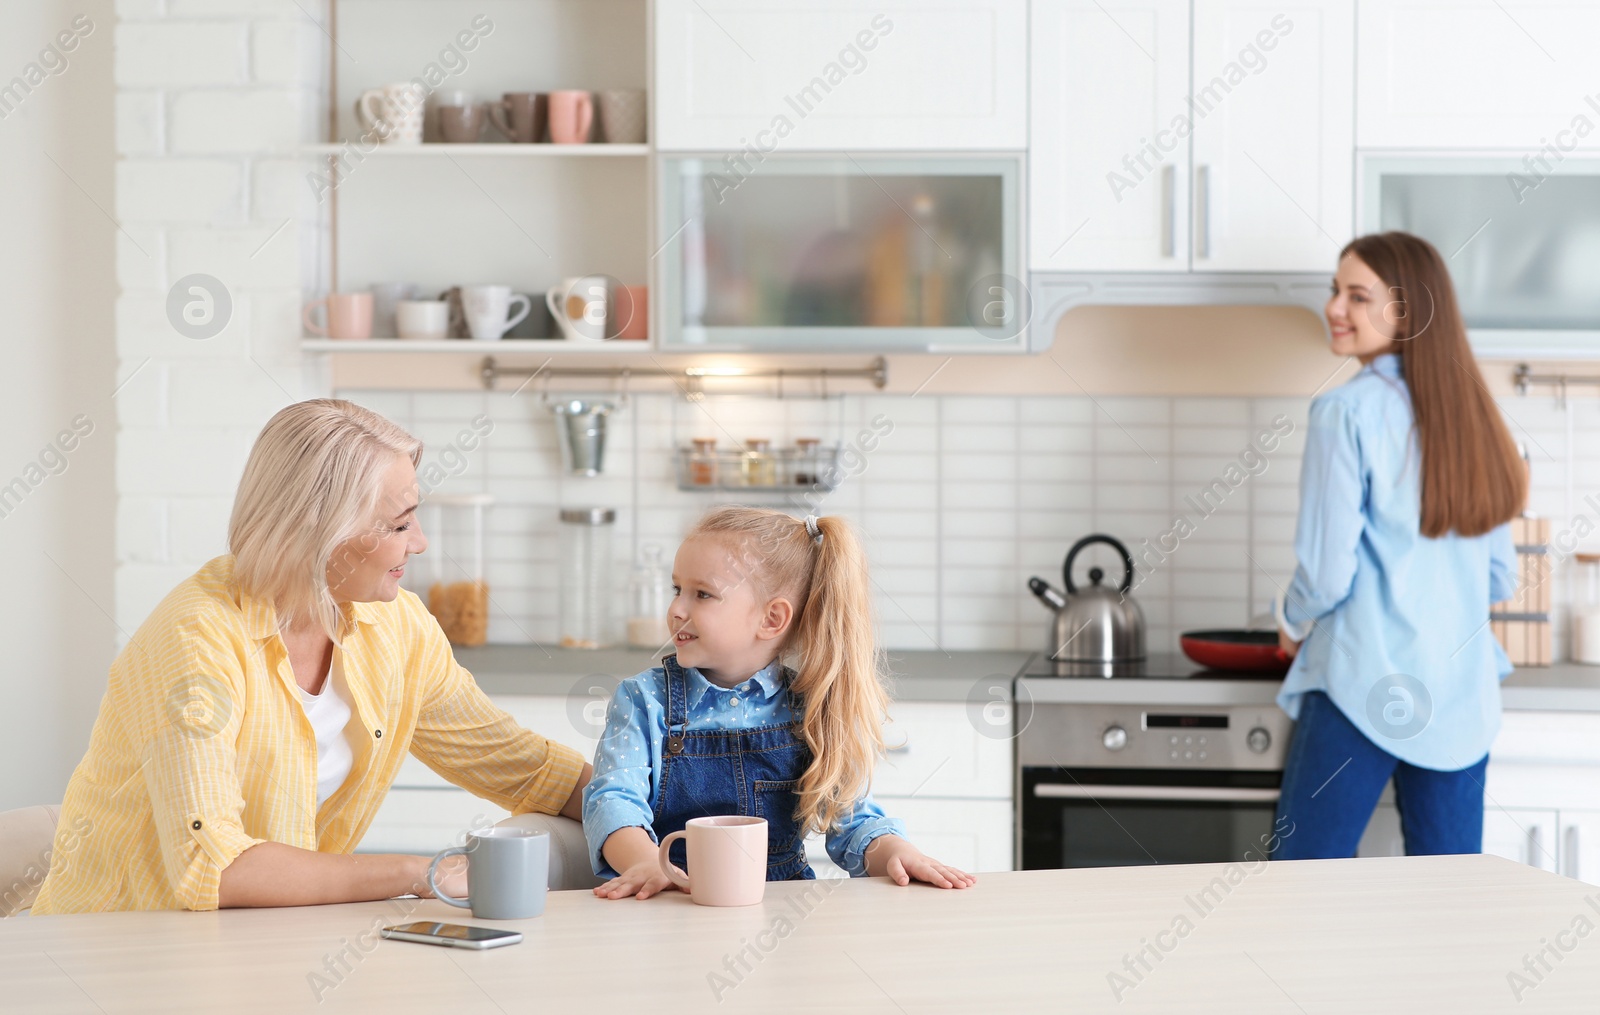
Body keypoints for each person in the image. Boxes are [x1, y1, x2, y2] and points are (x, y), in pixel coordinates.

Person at [33, 400, 590, 913]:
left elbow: (523, 768)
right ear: (319, 532)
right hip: (118, 943)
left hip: (258, 940)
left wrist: (649, 816)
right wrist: (424, 872)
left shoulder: (395, 625)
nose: (419, 542)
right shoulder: (197, 640)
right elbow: (215, 868)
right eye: (399, 524)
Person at [1272, 232, 1526, 860]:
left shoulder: (1345, 413)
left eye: (1358, 296)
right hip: (1460, 697)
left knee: (1298, 891)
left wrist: (1291, 620)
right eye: (1336, 291)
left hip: (1362, 686)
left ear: (1407, 311)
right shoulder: (1474, 417)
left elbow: (1328, 575)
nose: (1335, 308)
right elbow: (1499, 577)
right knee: (1447, 905)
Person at [584, 507, 975, 898]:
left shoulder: (810, 705)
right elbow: (613, 799)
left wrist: (896, 851)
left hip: (777, 917)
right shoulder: (643, 700)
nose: (676, 610)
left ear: (772, 619)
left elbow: (852, 822)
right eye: (677, 590)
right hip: (670, 907)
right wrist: (646, 862)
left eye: (702, 594)